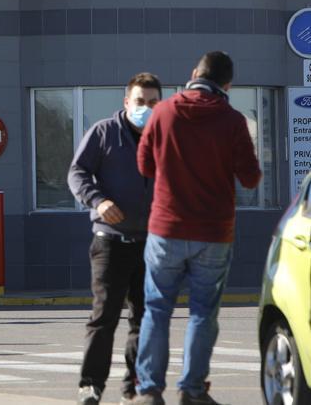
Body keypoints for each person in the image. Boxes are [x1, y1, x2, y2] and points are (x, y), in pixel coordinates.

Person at [130, 52, 261, 405]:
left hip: (166, 228)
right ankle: (191, 390)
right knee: (203, 312)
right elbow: (251, 178)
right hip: (213, 233)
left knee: (156, 309)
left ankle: (148, 392)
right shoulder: (232, 120)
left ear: (194, 74)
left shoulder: (164, 111)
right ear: (227, 85)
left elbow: (143, 165)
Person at [68, 73, 163, 405]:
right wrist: (98, 200)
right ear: (127, 102)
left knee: (146, 319)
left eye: (152, 102)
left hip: (152, 244)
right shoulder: (104, 133)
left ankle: (134, 387)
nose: (146, 108)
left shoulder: (165, 137)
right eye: (140, 101)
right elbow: (77, 172)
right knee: (104, 316)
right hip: (110, 242)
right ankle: (90, 385)